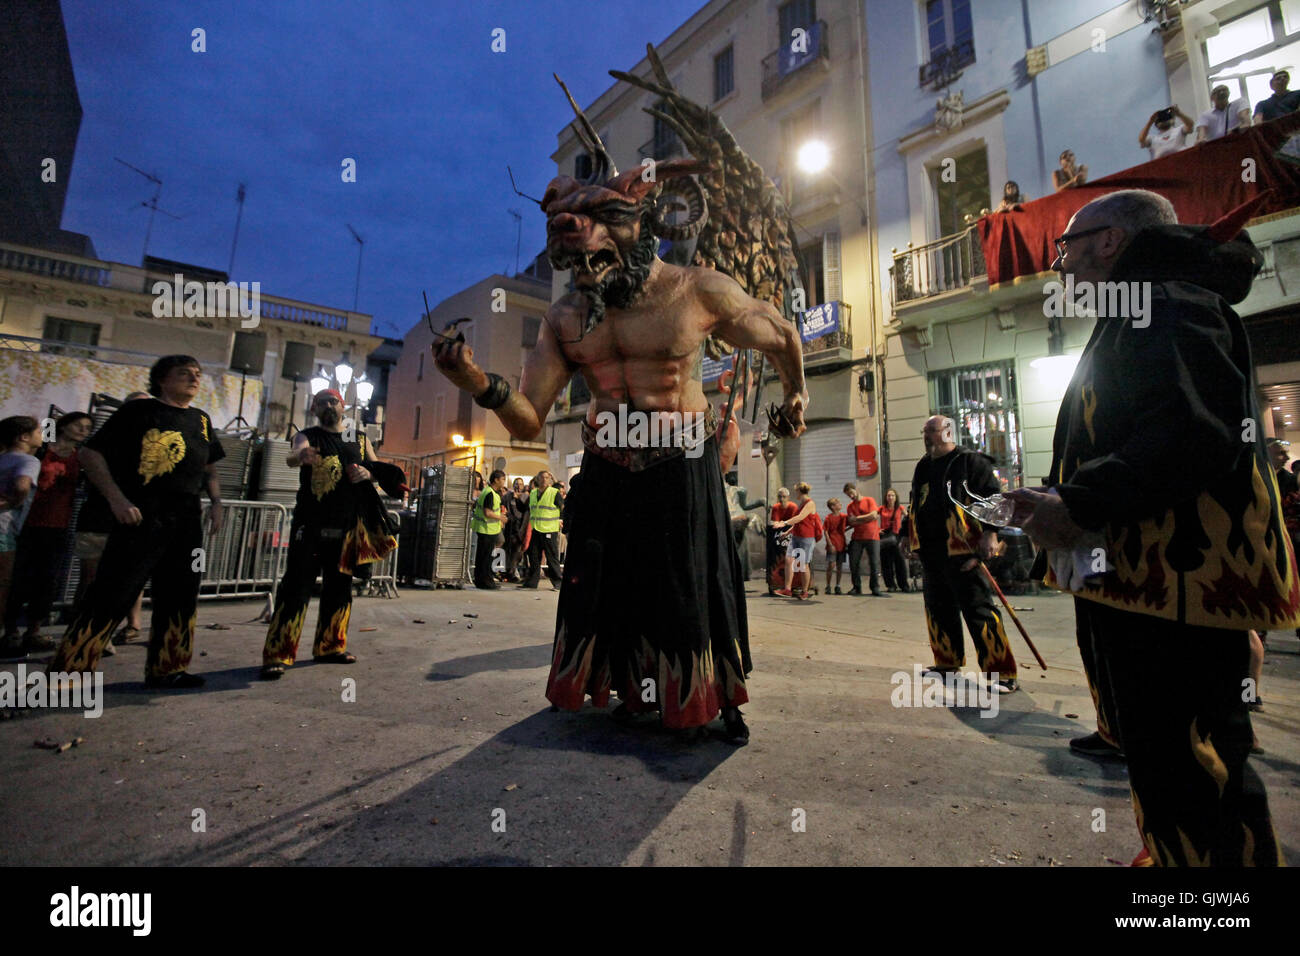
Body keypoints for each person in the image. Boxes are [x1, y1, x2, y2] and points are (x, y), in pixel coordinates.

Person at [432, 150, 807, 743]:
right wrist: (479, 384)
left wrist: (796, 396)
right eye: (576, 260)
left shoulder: (696, 292)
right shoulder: (565, 320)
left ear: (642, 229)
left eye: (601, 243)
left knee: (688, 590)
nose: (585, 266)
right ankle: (630, 693)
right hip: (608, 468)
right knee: (605, 587)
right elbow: (530, 421)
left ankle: (710, 698)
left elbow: (782, 333)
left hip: (681, 463)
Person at [1010, 188, 1299, 865]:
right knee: (1166, 761)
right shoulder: (1153, 304)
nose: (1061, 268)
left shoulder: (1168, 302)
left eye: (1066, 251)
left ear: (1108, 243)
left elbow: (1188, 433)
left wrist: (1077, 506)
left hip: (1181, 588)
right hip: (1153, 585)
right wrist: (1063, 497)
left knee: (1190, 765)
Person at [48, 356, 224, 687]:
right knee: (113, 591)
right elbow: (90, 454)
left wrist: (216, 502)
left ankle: (169, 669)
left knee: (181, 593)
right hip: (142, 516)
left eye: (198, 374)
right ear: (162, 380)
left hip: (186, 520)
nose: (194, 378)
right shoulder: (138, 411)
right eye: (184, 373)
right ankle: (67, 674)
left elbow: (210, 467)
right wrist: (117, 498)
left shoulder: (201, 420)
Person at [260, 389, 401, 680]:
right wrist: (301, 456)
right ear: (313, 407)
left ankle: (330, 647)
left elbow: (374, 467)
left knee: (340, 589)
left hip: (347, 527)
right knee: (295, 589)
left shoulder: (358, 438)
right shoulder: (307, 435)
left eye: (333, 401)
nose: (328, 406)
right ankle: (278, 654)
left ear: (343, 406)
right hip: (309, 526)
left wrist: (368, 474)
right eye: (321, 401)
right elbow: (292, 455)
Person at [909, 415, 1017, 693]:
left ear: (948, 432)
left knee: (978, 609)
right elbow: (915, 501)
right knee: (938, 609)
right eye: (925, 431)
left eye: (932, 431)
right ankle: (947, 663)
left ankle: (1001, 671)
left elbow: (995, 500)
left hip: (964, 551)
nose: (927, 436)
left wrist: (992, 533)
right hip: (932, 554)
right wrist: (905, 536)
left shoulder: (971, 462)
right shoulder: (923, 465)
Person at [3, 412, 93, 653]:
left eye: (87, 428)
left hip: (58, 524)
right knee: (17, 579)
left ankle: (34, 631)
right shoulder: (41, 452)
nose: (83, 431)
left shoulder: (80, 457)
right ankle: (10, 631)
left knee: (47, 581)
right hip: (28, 522)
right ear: (63, 425)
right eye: (79, 425)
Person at [73, 391, 151, 655]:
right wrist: (117, 499)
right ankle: (83, 631)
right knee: (92, 578)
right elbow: (87, 459)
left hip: (134, 521)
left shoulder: (152, 439)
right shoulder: (108, 437)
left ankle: (128, 625)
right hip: (100, 518)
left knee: (131, 578)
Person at [0, 416, 43, 659]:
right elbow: (22, 486)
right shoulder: (28, 460)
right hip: (4, 528)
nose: (42, 435)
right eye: (39, 431)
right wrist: (14, 501)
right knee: (2, 584)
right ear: (24, 437)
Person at [772, 481, 816, 599]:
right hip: (796, 536)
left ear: (800, 491)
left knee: (802, 565)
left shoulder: (810, 503)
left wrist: (784, 523)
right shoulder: (801, 503)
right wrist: (787, 532)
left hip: (806, 537)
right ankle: (787, 589)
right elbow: (797, 522)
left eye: (796, 491)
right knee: (788, 560)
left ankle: (805, 591)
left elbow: (800, 517)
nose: (795, 493)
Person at [521, 470, 563, 590]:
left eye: (546, 477)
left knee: (551, 557)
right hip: (536, 529)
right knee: (533, 556)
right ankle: (532, 582)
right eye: (542, 477)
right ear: (538, 479)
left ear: (549, 479)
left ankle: (558, 582)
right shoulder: (533, 493)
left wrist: (562, 520)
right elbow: (527, 509)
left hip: (549, 530)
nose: (544, 479)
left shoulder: (554, 492)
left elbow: (562, 507)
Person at [843, 482, 884, 597]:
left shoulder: (869, 500)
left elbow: (874, 515)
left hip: (872, 536)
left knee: (874, 563)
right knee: (853, 562)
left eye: (851, 493)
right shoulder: (850, 507)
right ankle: (856, 587)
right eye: (848, 495)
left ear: (856, 489)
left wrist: (858, 518)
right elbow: (851, 521)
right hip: (857, 537)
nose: (850, 496)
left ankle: (875, 588)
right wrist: (865, 518)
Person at [472, 469, 507, 589]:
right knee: (486, 558)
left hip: (485, 529)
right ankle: (486, 582)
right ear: (496, 480)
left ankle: (481, 580)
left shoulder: (487, 491)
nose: (504, 482)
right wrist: (501, 517)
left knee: (482, 557)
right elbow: (487, 512)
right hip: (487, 529)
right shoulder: (490, 493)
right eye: (503, 479)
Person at [878, 488, 911, 593]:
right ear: (886, 497)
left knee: (900, 562)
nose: (890, 497)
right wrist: (877, 530)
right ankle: (891, 585)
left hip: (897, 537)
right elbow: (872, 519)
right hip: (884, 537)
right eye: (888, 495)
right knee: (886, 562)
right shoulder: (881, 508)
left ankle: (904, 585)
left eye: (892, 495)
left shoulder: (900, 508)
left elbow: (908, 519)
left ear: (896, 497)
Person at [767, 487, 797, 594]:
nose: (781, 499)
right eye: (779, 496)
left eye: (784, 497)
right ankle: (776, 582)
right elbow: (775, 522)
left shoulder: (793, 507)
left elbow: (794, 522)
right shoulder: (776, 507)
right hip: (779, 537)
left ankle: (795, 583)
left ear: (788, 497)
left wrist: (782, 524)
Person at [502, 477, 529, 583]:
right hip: (509, 527)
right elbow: (503, 508)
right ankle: (508, 572)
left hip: (521, 527)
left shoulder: (526, 497)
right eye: (516, 484)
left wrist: (519, 498)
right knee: (508, 550)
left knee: (518, 552)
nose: (518, 486)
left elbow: (526, 512)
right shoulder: (507, 496)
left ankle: (513, 572)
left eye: (521, 484)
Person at [823, 497, 848, 594]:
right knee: (831, 565)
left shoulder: (843, 517)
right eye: (838, 503)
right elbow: (825, 531)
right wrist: (830, 544)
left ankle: (838, 585)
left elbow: (849, 523)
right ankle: (828, 586)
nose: (840, 504)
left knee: (840, 566)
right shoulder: (828, 518)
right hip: (833, 544)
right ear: (833, 507)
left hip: (841, 544)